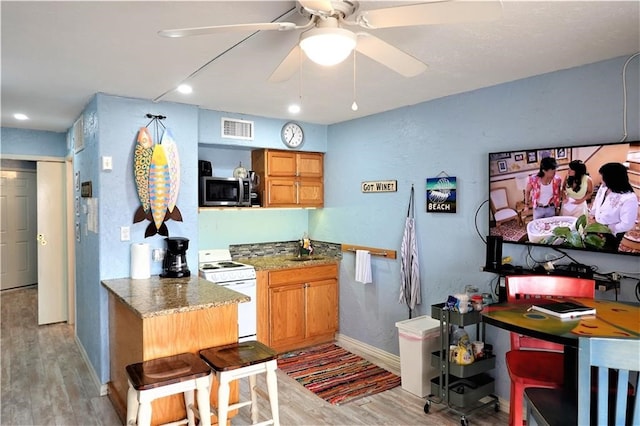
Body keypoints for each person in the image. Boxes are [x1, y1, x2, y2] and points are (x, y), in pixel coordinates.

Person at [590, 162, 639, 251]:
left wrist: (606, 228)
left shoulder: (629, 198)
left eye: (603, 176)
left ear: (612, 178)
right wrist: (592, 215)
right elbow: (597, 200)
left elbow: (627, 224)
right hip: (596, 225)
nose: (601, 179)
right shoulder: (604, 186)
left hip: (611, 233)